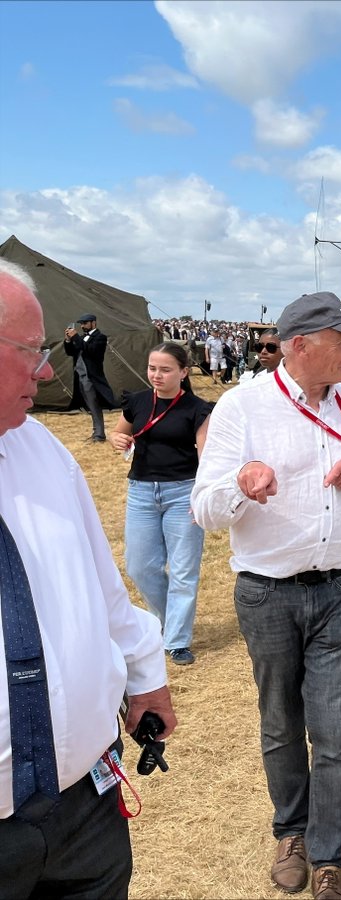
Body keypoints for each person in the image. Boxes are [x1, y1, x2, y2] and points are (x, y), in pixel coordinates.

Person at [191, 291, 341, 900]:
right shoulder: (241, 406)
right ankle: (291, 831)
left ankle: (329, 856)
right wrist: (243, 486)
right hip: (267, 592)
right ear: (300, 345)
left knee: (336, 728)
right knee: (281, 722)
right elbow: (204, 508)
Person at [1, 259, 177, 898]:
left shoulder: (41, 450)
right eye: (30, 351)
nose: (48, 370)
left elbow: (101, 585)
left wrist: (145, 675)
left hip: (84, 813)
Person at [109, 343, 212, 666]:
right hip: (141, 491)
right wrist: (118, 439)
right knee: (139, 566)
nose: (157, 375)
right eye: (152, 368)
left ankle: (177, 640)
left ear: (183, 372)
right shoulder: (137, 401)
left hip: (183, 492)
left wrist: (202, 496)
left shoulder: (197, 409)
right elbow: (119, 433)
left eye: (165, 369)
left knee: (183, 570)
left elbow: (206, 457)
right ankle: (167, 621)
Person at [63, 313, 116, 442]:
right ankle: (96, 432)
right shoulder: (81, 338)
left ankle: (99, 434)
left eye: (85, 323)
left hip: (91, 377)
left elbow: (91, 351)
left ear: (93, 323)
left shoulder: (100, 337)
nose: (82, 326)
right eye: (81, 324)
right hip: (80, 376)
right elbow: (71, 352)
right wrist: (68, 340)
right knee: (89, 405)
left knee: (94, 405)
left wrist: (75, 337)